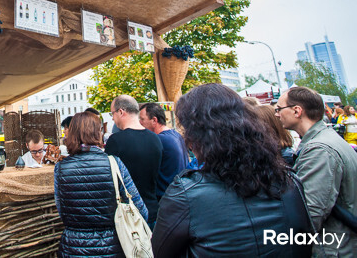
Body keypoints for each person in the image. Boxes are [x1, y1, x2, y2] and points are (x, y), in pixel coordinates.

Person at [153, 84, 314, 257]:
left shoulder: (186, 194)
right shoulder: (290, 181)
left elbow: (160, 252)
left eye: (187, 130)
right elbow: (305, 240)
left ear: (197, 136)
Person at [276, 87, 357, 255]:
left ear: (297, 111)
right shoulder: (325, 139)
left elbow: (310, 214)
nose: (277, 114)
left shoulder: (319, 150)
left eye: (279, 109)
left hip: (334, 249)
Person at [54, 112, 148, 256]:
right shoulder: (114, 163)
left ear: (72, 134)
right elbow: (140, 209)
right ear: (98, 133)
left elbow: (61, 211)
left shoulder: (61, 168)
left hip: (73, 247)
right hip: (112, 245)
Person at [105, 95, 162, 225]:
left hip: (129, 216)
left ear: (121, 112)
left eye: (112, 113)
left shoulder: (116, 141)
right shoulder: (155, 139)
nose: (112, 118)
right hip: (153, 211)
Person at [139, 102, 189, 200]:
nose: (140, 122)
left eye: (142, 119)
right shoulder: (176, 135)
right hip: (180, 193)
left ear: (154, 120)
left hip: (166, 196)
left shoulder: (158, 140)